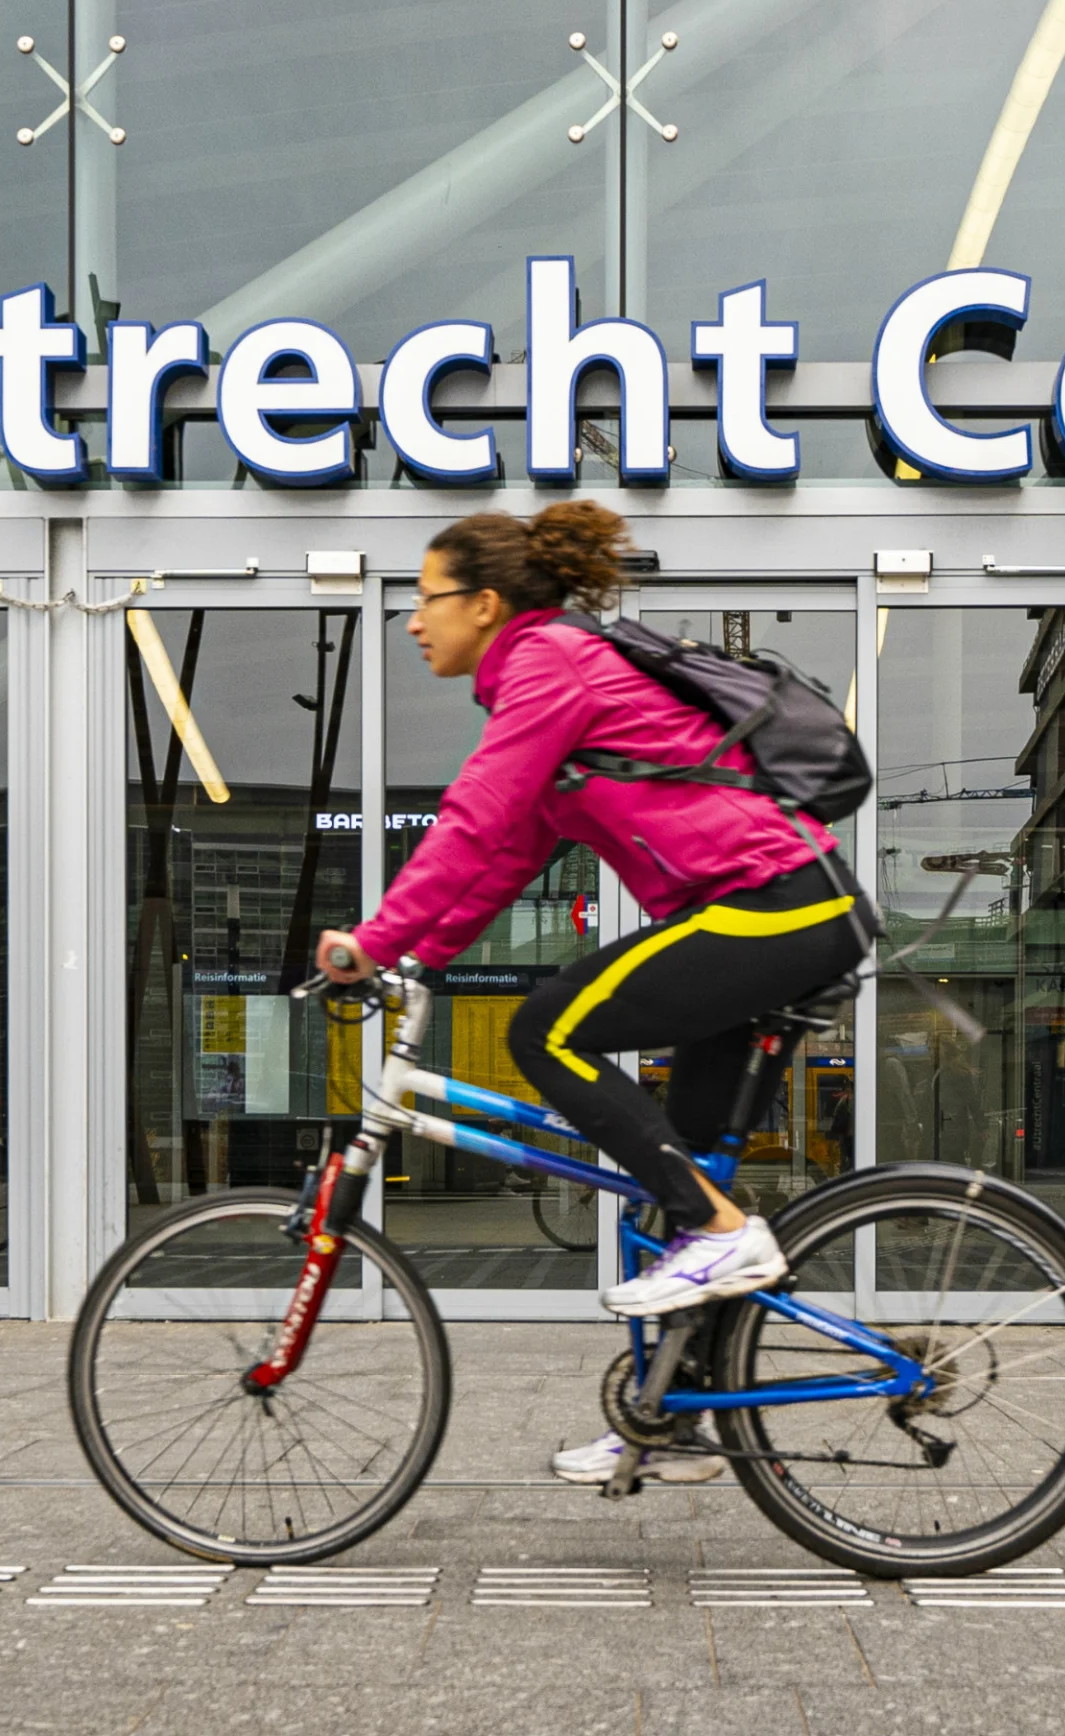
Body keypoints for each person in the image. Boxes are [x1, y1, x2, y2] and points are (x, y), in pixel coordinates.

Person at [315, 499, 872, 1489]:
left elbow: (471, 817)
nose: (411, 618)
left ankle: (723, 1234)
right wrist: (419, 958)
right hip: (749, 912)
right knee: (678, 1169)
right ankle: (673, 1413)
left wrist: (375, 937)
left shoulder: (548, 665)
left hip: (777, 904)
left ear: (484, 604)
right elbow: (504, 855)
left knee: (545, 1030)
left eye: (425, 597)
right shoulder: (544, 682)